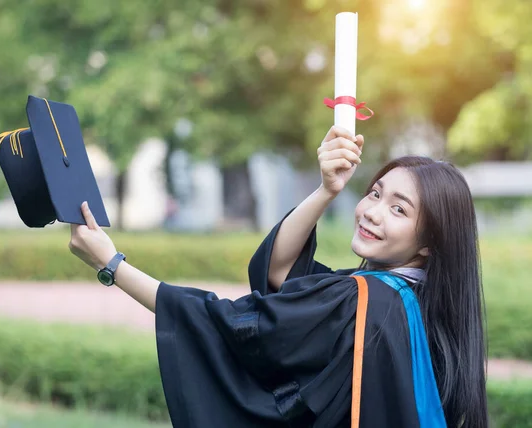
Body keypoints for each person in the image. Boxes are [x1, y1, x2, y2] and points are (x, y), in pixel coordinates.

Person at [69, 126, 489, 428]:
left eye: (399, 209)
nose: (372, 212)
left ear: (429, 242)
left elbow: (233, 325)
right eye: (375, 193)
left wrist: (113, 266)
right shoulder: (417, 305)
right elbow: (281, 273)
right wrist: (327, 188)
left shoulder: (365, 302)